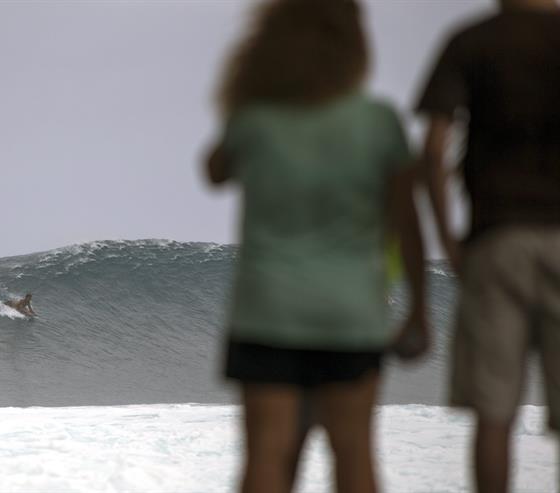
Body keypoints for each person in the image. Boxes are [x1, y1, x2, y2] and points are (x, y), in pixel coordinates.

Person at [204, 1, 427, 492]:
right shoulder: (379, 122)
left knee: (267, 453)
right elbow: (408, 225)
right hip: (350, 311)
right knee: (354, 452)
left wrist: (248, 85)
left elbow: (215, 169)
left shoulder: (257, 118)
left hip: (268, 310)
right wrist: (420, 312)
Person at [416, 1, 560, 491]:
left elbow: (434, 150)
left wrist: (448, 239)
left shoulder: (472, 40)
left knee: (494, 415)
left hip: (496, 239)